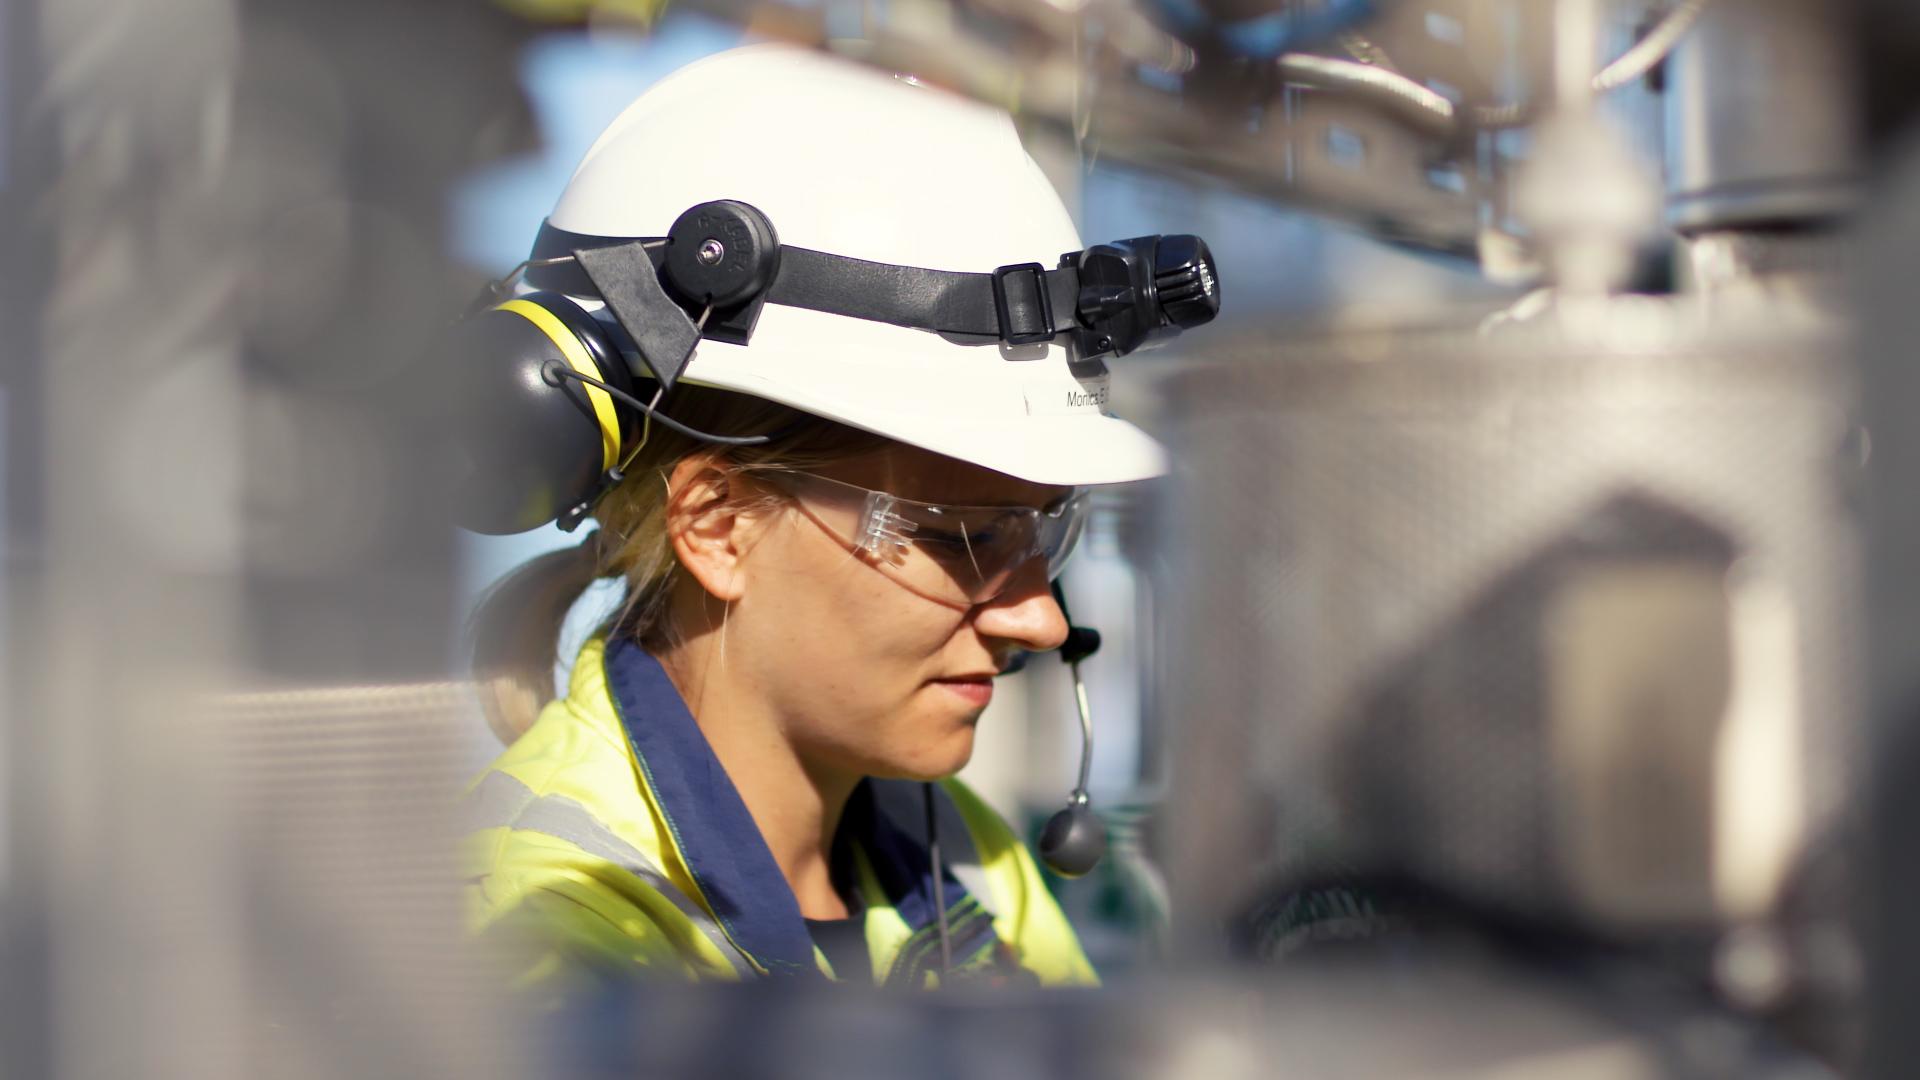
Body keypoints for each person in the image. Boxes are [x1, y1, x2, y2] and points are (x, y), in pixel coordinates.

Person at [461, 43, 1198, 990]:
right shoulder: (544, 939)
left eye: (1045, 529)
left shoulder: (962, 857)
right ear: (719, 524)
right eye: (962, 537)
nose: (1043, 619)